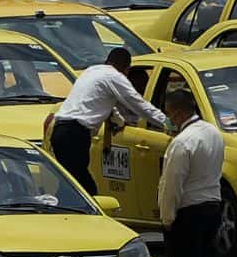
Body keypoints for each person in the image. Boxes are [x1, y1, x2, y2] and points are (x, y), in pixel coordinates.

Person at [156, 88, 223, 257]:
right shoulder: (212, 133)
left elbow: (171, 185)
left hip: (189, 213)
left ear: (179, 112)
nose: (168, 118)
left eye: (170, 113)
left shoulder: (182, 142)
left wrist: (167, 217)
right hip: (211, 209)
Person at [49, 48, 169, 194]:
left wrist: (119, 121)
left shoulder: (91, 71)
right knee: (85, 190)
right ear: (126, 68)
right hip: (75, 135)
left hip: (59, 131)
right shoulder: (115, 77)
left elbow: (104, 104)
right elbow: (139, 105)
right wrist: (168, 123)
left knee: (70, 186)